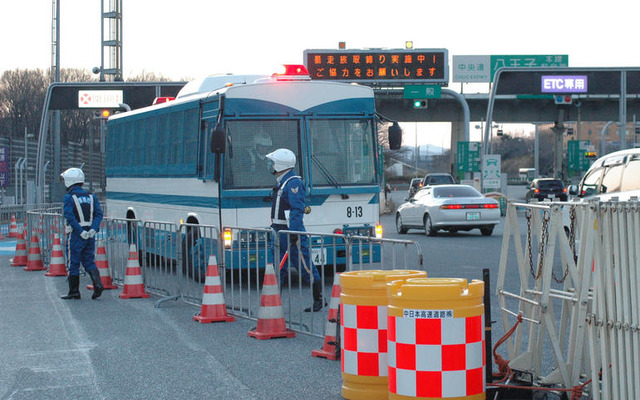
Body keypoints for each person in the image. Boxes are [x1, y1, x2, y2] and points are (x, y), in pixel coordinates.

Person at [266, 148, 323, 312]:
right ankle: (273, 302)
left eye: (273, 163)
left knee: (304, 265)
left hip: (290, 232)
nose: (271, 166)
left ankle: (318, 299)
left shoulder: (293, 182)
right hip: (278, 231)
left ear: (280, 164)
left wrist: (294, 232)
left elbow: (297, 210)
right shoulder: (283, 182)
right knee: (276, 267)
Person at [59, 168, 104, 300]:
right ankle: (98, 284)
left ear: (69, 181)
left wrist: (80, 231)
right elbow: (98, 214)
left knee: (73, 262)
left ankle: (74, 291)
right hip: (90, 234)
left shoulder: (69, 197)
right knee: (89, 260)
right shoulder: (91, 196)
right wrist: (93, 229)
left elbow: (69, 216)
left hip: (75, 235)